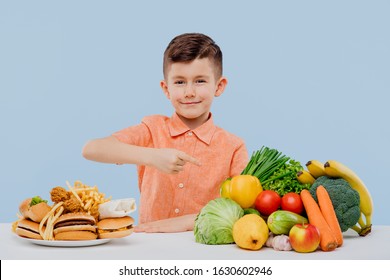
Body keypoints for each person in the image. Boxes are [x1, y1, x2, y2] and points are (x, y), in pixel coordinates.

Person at [82, 33, 248, 232]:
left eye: (200, 81)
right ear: (166, 88)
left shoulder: (233, 147)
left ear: (219, 86)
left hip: (204, 250)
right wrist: (152, 156)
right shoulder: (152, 130)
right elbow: (92, 149)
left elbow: (242, 210)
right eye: (179, 82)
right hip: (150, 247)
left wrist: (184, 223)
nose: (189, 92)